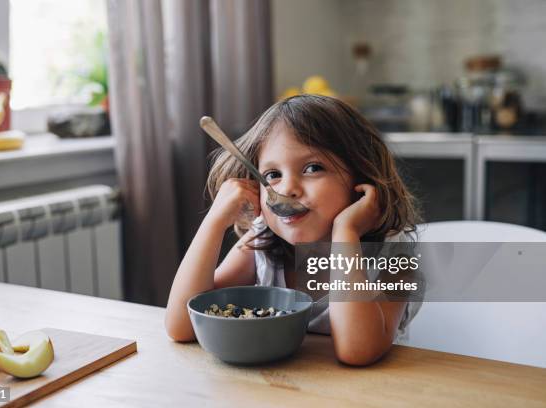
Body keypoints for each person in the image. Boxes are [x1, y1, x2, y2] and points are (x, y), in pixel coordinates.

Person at [165, 94, 422, 365]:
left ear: (361, 178)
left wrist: (345, 233)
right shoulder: (263, 240)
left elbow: (357, 351)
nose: (287, 188)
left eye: (313, 168)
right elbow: (182, 326)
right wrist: (214, 222)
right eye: (272, 175)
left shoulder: (394, 254)